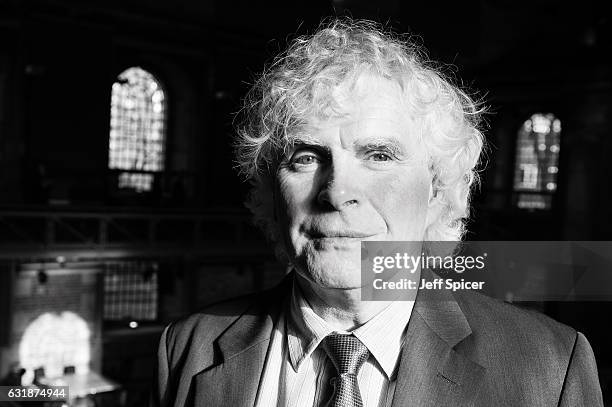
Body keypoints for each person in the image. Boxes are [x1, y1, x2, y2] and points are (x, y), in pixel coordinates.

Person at [153, 19, 603, 406]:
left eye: (379, 155)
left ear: (439, 192)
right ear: (270, 192)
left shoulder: (550, 366)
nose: (337, 191)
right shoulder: (187, 348)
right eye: (307, 158)